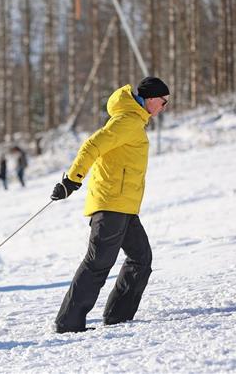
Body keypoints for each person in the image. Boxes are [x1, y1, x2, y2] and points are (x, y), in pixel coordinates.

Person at [50, 77, 170, 333]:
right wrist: (72, 179)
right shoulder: (126, 121)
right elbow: (93, 145)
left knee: (141, 259)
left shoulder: (134, 121)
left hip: (124, 206)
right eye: (163, 101)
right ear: (150, 99)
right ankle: (68, 323)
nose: (164, 106)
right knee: (98, 263)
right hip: (111, 204)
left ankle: (118, 316)